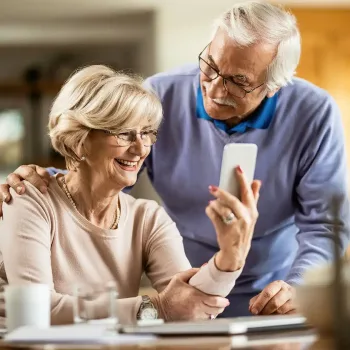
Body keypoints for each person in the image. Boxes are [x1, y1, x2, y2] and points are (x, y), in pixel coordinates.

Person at [1, 1, 349, 317]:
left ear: (274, 86)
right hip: (184, 282)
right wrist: (41, 182)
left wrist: (293, 283)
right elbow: (101, 170)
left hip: (274, 289)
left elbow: (327, 224)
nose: (213, 88)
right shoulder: (159, 96)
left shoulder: (313, 113)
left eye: (238, 82)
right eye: (210, 66)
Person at [0, 65, 261, 325]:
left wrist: (230, 257)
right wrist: (154, 308)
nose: (140, 148)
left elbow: (188, 304)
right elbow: (36, 313)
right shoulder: (29, 199)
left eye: (147, 132)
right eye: (124, 133)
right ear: (77, 140)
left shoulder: (147, 218)